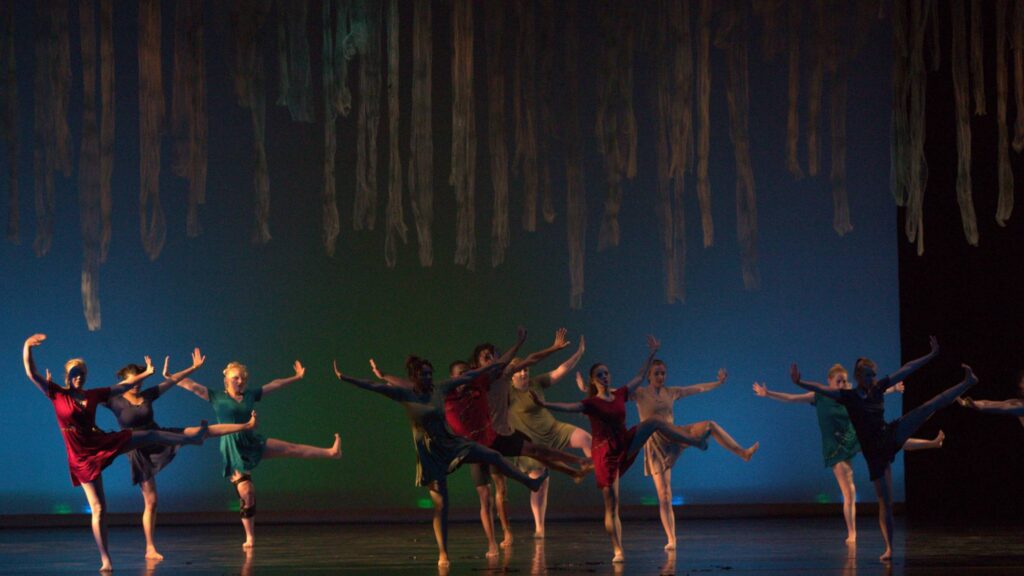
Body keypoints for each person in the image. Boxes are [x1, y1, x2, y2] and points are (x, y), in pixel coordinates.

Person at [335, 328, 546, 567]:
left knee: (492, 454)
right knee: (441, 506)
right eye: (423, 374)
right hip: (430, 455)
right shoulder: (405, 394)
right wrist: (345, 377)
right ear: (415, 377)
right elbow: (374, 386)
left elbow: (488, 368)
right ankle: (443, 553)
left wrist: (516, 346)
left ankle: (530, 482)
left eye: (429, 373)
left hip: (451, 444)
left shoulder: (440, 388)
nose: (427, 377)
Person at [22, 334, 209, 572]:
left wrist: (146, 373)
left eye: (81, 373)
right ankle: (105, 560)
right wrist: (27, 346)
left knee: (150, 435)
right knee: (99, 509)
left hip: (101, 442)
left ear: (86, 375)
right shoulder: (56, 393)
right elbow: (31, 372)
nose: (78, 376)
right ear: (66, 376)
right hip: (81, 458)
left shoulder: (93, 395)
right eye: (73, 373)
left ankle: (192, 438)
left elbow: (123, 386)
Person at [790, 337, 976, 562]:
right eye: (868, 375)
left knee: (928, 407)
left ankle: (967, 383)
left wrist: (930, 355)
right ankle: (889, 548)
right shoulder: (848, 397)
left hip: (889, 435)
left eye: (873, 374)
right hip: (875, 455)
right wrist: (800, 383)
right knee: (885, 502)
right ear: (859, 377)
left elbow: (906, 370)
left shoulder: (878, 388)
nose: (872, 379)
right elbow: (821, 389)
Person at [532, 336, 710, 563]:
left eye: (607, 373)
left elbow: (638, 377)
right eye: (600, 375)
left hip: (624, 443)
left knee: (654, 421)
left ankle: (695, 443)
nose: (605, 377)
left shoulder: (619, 395)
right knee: (612, 505)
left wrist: (651, 354)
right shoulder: (592, 403)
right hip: (605, 455)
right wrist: (545, 405)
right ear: (593, 381)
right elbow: (569, 407)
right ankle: (618, 549)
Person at [754, 363, 944, 543]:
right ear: (829, 380)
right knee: (849, 491)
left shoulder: (849, 395)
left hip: (854, 437)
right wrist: (767, 393)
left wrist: (893, 389)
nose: (842, 384)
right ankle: (852, 533)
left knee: (892, 441)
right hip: (836, 448)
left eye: (844, 381)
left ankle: (932, 444)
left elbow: (873, 391)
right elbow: (790, 398)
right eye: (838, 381)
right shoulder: (818, 396)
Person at [104, 349, 258, 560]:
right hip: (137, 449)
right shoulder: (113, 399)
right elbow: (85, 399)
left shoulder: (147, 395)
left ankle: (243, 426)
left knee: (199, 432)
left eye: (140, 381)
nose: (137, 385)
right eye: (133, 382)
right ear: (123, 382)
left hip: (157, 437)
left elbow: (172, 381)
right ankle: (150, 547)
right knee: (151, 501)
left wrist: (193, 368)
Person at [177, 360, 341, 550]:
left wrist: (296, 377)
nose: (240, 381)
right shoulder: (216, 397)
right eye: (235, 378)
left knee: (291, 448)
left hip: (251, 441)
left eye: (243, 378)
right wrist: (171, 376)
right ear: (226, 380)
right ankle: (250, 537)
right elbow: (191, 385)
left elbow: (274, 384)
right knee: (247, 492)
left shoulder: (250, 395)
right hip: (233, 448)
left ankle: (331, 452)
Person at [468, 329, 591, 548]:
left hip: (516, 435)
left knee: (540, 454)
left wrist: (556, 348)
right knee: (491, 492)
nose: (524, 373)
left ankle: (578, 467)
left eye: (495, 355)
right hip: (484, 440)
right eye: (487, 357)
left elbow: (535, 360)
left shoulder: (508, 376)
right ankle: (497, 540)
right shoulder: (479, 380)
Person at [637, 360, 758, 550]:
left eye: (663, 373)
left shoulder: (671, 392)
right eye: (657, 373)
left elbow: (696, 388)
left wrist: (718, 383)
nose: (661, 377)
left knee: (709, 425)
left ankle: (743, 453)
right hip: (655, 445)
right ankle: (671, 539)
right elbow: (615, 394)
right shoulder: (641, 394)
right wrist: (589, 387)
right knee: (665, 495)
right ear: (649, 376)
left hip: (673, 434)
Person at [508, 336, 592, 539]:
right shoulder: (506, 393)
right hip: (531, 443)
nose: (524, 372)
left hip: (553, 430)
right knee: (540, 486)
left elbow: (560, 371)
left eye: (526, 369)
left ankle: (594, 471)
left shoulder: (536, 383)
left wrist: (579, 354)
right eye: (519, 370)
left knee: (586, 438)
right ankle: (539, 527)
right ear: (511, 376)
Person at [958, 369, 1024, 427]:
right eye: (1022, 382)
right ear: (1021, 387)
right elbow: (989, 404)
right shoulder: (1017, 402)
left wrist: (978, 407)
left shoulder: (1020, 407)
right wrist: (966, 403)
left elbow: (1003, 408)